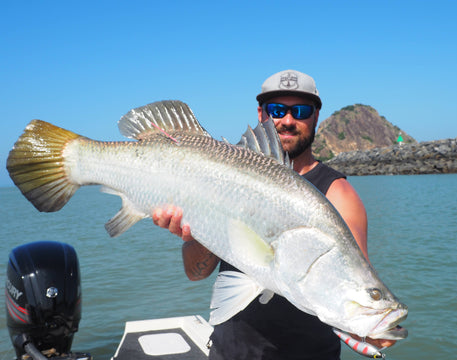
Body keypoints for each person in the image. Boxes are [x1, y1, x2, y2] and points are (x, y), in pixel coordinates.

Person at [152, 70, 394, 359]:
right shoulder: (221, 177)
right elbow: (195, 273)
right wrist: (201, 231)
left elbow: (352, 275)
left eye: (301, 111)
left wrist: (365, 321)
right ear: (261, 114)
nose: (288, 120)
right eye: (277, 110)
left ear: (316, 116)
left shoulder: (338, 194)